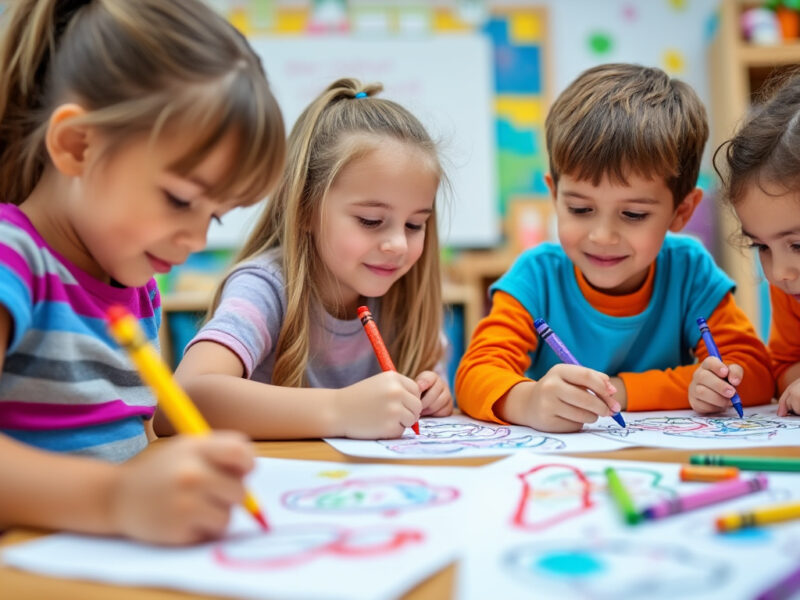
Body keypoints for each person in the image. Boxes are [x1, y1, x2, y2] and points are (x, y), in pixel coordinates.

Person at [0, 0, 285, 544]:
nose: (197, 240)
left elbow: (136, 440)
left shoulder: (135, 286)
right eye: (180, 200)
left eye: (215, 214)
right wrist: (117, 499)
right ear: (77, 146)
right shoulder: (13, 261)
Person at [456, 63, 773, 433]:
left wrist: (629, 391)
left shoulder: (690, 271)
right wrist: (529, 401)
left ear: (681, 211)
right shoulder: (536, 277)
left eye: (634, 214)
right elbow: (474, 374)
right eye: (580, 209)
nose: (602, 236)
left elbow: (753, 374)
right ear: (555, 195)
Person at [170, 78, 453, 442]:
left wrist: (429, 399)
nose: (398, 243)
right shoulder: (266, 287)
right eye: (370, 221)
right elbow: (179, 402)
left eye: (415, 224)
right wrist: (341, 411)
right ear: (304, 207)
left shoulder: (409, 298)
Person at [715, 69, 800, 418]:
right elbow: (785, 366)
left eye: (798, 245)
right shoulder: (792, 289)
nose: (778, 273)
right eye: (761, 247)